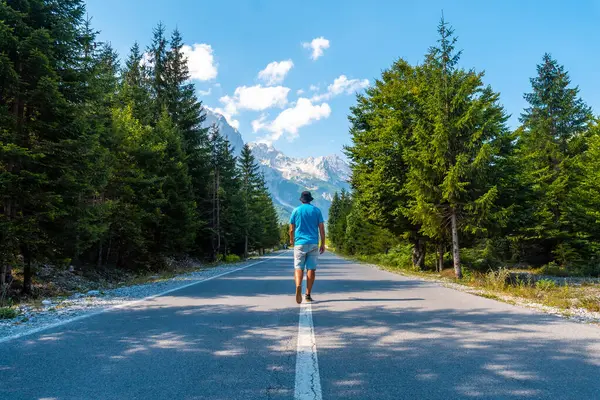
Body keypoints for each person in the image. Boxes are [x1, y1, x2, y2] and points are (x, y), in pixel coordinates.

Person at [289, 191, 325, 304]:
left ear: (301, 200)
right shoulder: (316, 211)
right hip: (313, 242)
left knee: (298, 267)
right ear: (310, 199)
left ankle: (298, 285)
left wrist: (291, 240)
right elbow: (321, 229)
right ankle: (308, 294)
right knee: (311, 269)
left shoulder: (296, 211)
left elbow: (291, 229)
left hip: (299, 243)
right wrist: (322, 243)